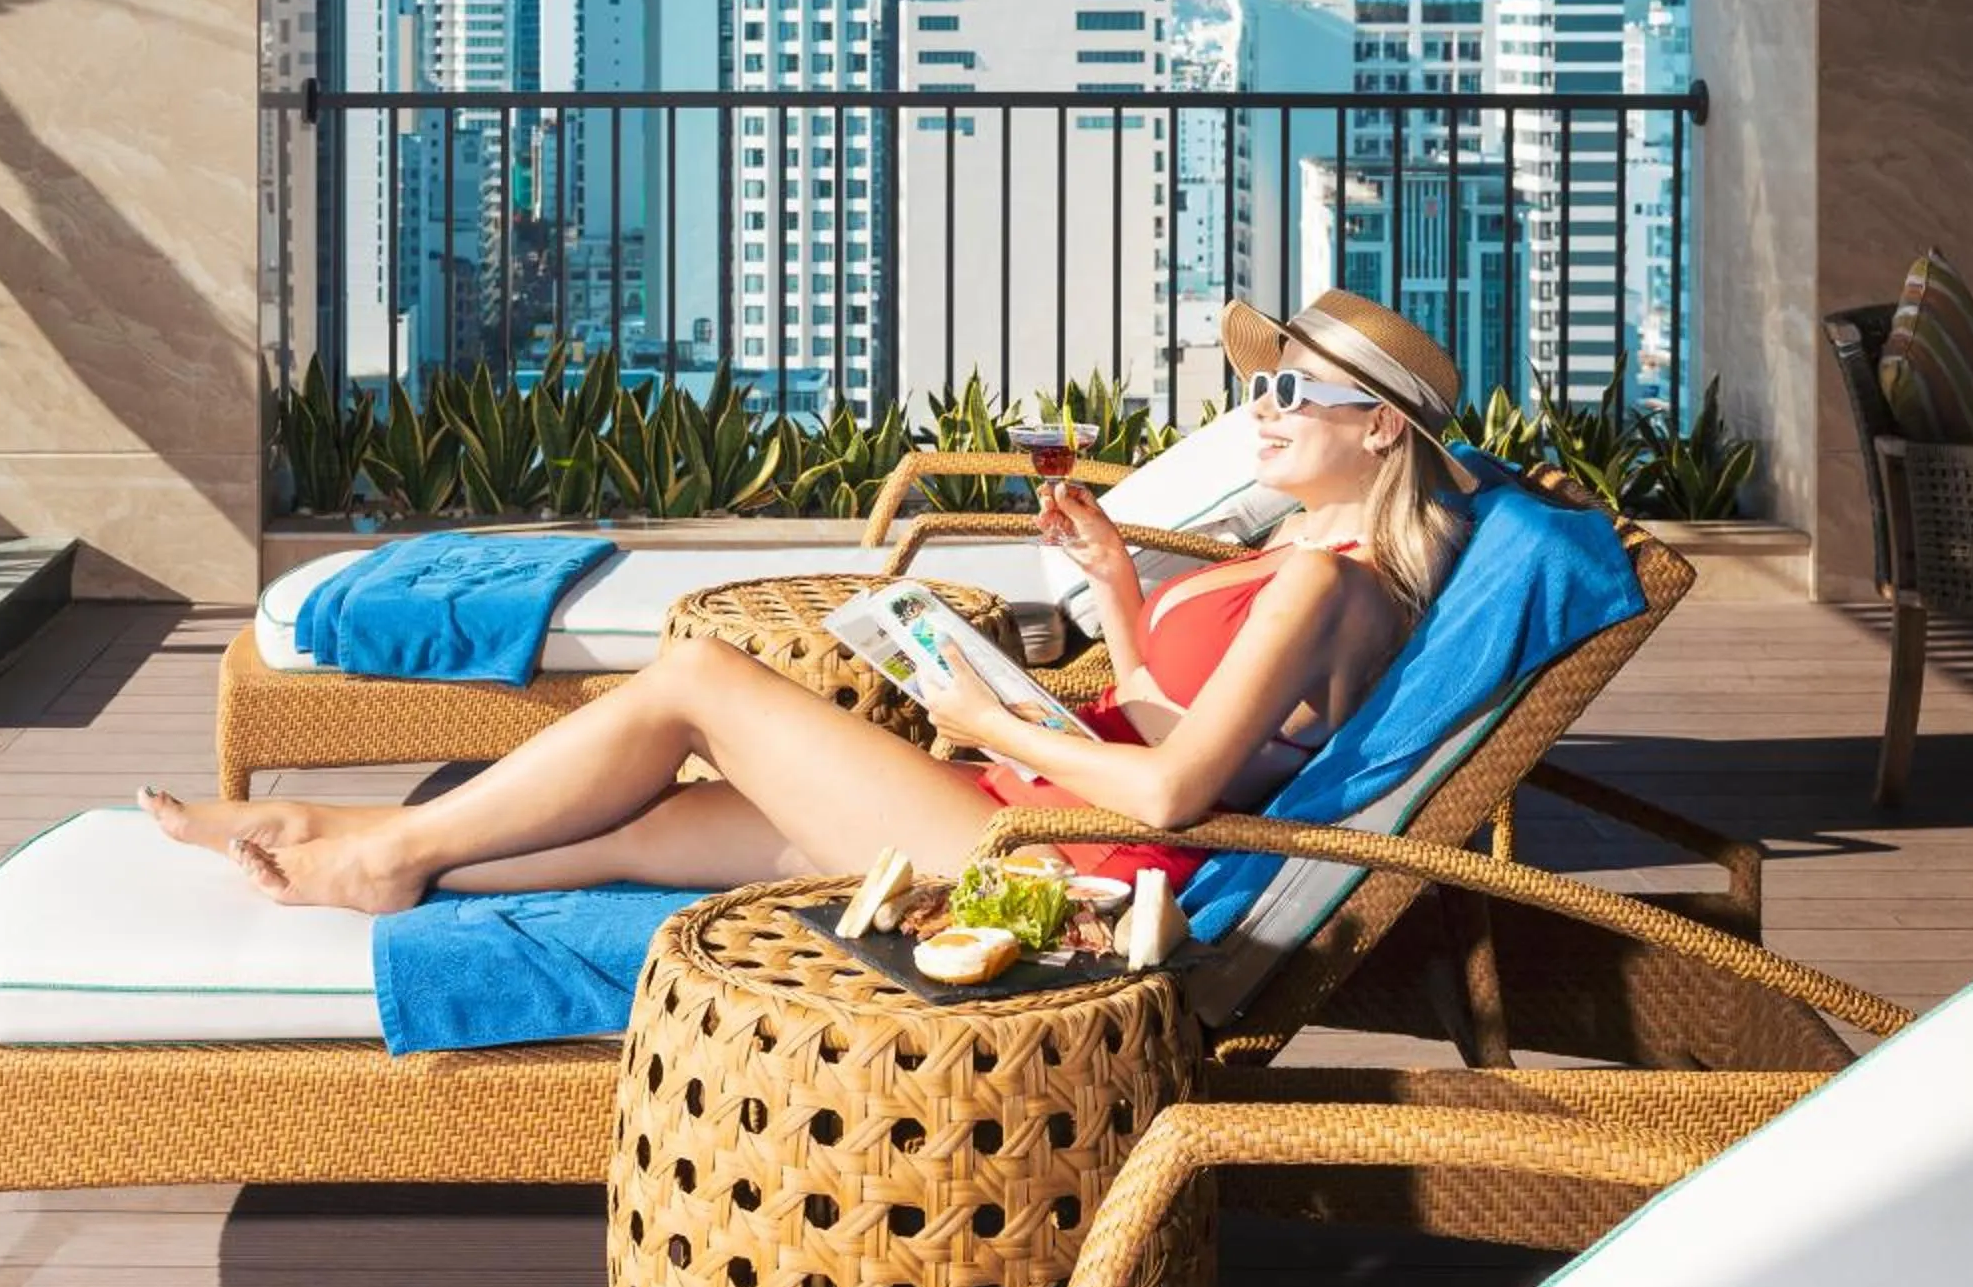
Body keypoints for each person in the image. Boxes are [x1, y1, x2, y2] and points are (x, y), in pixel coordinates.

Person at [147, 291, 1474, 914]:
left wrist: (983, 717)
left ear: (1385, 435)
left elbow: (1180, 796)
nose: (1263, 411)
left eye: (1296, 395)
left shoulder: (1319, 579)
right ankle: (341, 834)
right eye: (1263, 386)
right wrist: (1124, 594)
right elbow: (1172, 719)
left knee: (695, 682)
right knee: (645, 831)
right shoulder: (1300, 560)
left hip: (1073, 870)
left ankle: (371, 852)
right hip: (1043, 816)